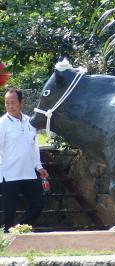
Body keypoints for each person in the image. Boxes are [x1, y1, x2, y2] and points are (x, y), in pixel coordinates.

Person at [0, 88, 48, 232]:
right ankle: (6, 239)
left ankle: (20, 230)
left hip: (29, 173)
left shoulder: (30, 121)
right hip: (9, 176)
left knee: (38, 204)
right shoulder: (2, 123)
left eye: (13, 102)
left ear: (21, 103)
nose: (10, 106)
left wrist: (39, 167)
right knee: (9, 212)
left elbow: (34, 146)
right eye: (7, 103)